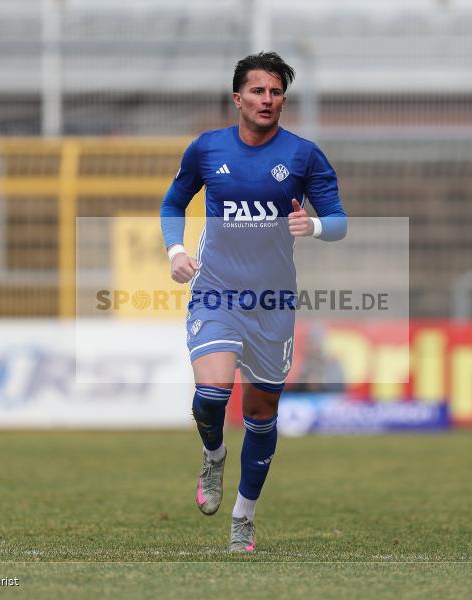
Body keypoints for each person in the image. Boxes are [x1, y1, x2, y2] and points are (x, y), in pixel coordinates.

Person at [160, 51, 347, 552]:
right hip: (216, 291)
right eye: (259, 91)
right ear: (238, 98)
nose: (268, 100)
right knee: (214, 394)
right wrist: (176, 250)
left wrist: (315, 225)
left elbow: (339, 221)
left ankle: (244, 516)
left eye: (276, 92)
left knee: (262, 411)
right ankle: (214, 453)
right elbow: (173, 202)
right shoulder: (206, 149)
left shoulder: (304, 155)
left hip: (273, 302)